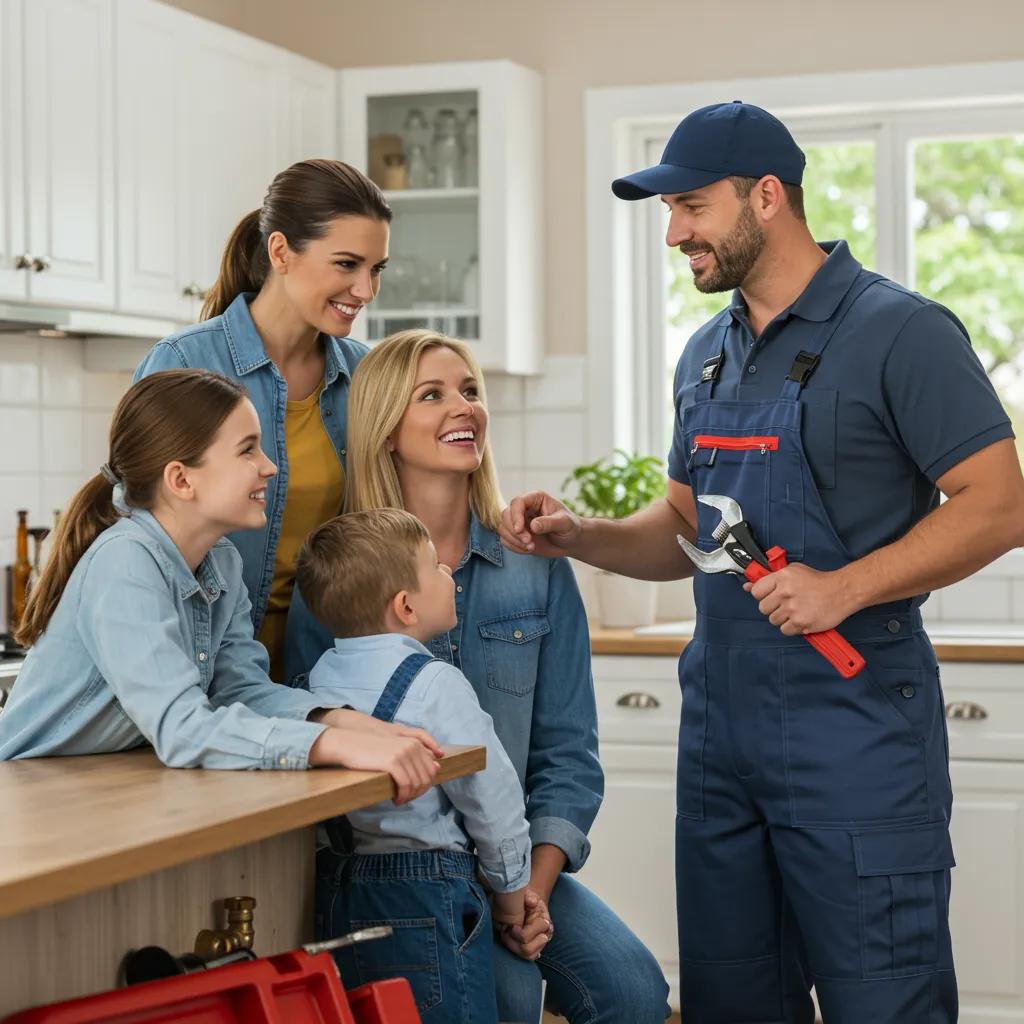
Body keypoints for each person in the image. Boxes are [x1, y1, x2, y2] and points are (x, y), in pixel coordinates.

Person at [501, 101, 1024, 1023]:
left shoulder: (902, 331)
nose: (674, 234)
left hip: (856, 736)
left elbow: (1000, 503)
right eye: (669, 213)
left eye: (692, 207)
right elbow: (684, 530)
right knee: (733, 1002)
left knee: (883, 1004)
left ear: (768, 198)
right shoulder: (705, 356)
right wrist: (582, 535)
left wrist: (844, 587)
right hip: (720, 742)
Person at [290, 330, 670, 1023]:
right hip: (396, 875)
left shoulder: (535, 563)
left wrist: (527, 891)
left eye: (469, 391)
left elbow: (568, 755)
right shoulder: (342, 571)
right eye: (431, 395)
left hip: (519, 862)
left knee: (634, 992)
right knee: (512, 997)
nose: (463, 407)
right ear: (385, 429)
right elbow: (309, 732)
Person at [0, 370, 441, 796]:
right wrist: (332, 746)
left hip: (92, 787)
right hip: (25, 799)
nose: (268, 467)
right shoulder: (125, 562)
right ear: (181, 479)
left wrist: (342, 722)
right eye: (247, 450)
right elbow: (181, 727)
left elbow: (241, 690)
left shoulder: (221, 561)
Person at [134, 159, 390, 682]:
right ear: (280, 252)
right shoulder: (185, 363)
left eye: (377, 269)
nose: (365, 290)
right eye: (346, 264)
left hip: (327, 672)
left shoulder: (366, 375)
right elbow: (132, 534)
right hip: (193, 670)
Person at [297, 507, 531, 1023]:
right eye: (436, 568)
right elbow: (491, 796)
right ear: (405, 606)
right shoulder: (435, 685)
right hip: (428, 896)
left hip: (340, 892)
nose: (449, 573)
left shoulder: (317, 683)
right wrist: (512, 893)